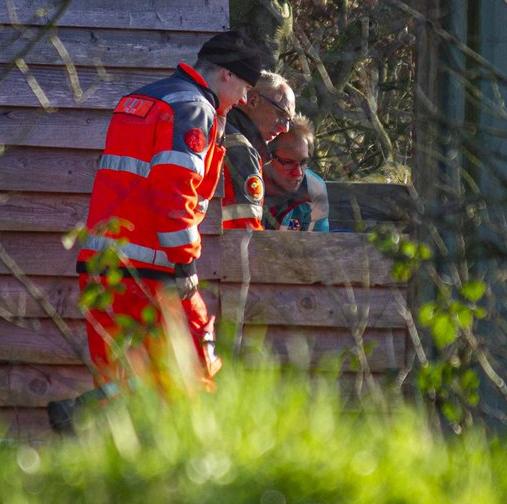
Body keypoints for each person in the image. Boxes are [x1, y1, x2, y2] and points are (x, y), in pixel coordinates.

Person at [74, 28, 275, 394]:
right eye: (245, 87)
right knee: (195, 376)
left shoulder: (139, 100)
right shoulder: (193, 109)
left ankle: (90, 431)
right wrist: (184, 264)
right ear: (226, 74)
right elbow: (174, 192)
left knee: (117, 385)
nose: (244, 99)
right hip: (154, 272)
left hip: (100, 267)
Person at [219, 70, 295, 230]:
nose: (285, 128)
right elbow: (248, 230)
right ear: (252, 101)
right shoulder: (241, 150)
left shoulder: (218, 129)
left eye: (289, 121)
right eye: (282, 114)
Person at [262, 115, 330, 231]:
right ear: (268, 157)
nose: (298, 172)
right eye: (288, 162)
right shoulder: (249, 182)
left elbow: (317, 244)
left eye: (303, 162)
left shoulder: (314, 189)